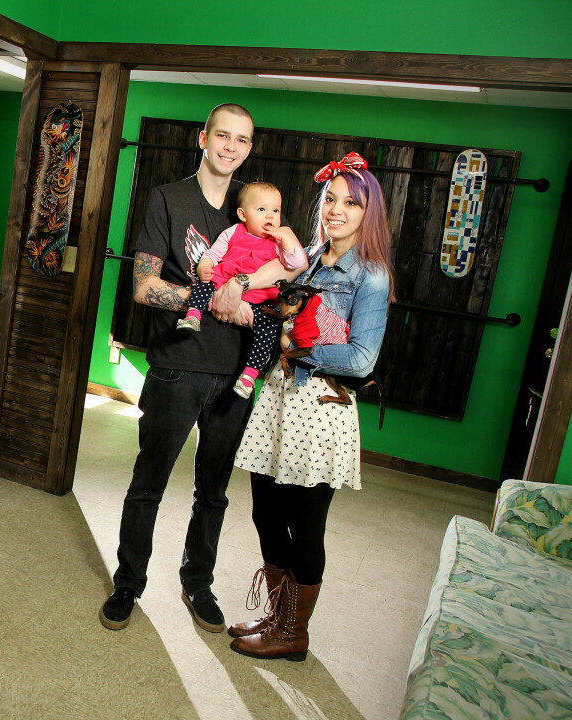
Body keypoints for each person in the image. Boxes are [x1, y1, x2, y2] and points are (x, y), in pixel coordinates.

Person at [99, 103, 299, 633]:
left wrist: (243, 294)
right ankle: (128, 583)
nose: (232, 147)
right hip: (177, 367)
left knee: (213, 492)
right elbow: (143, 287)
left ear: (250, 148)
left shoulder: (261, 211)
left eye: (243, 139)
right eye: (223, 136)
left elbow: (283, 280)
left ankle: (198, 584)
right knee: (149, 482)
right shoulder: (169, 198)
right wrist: (207, 297)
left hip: (237, 376)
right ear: (203, 139)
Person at [229, 152, 395, 661]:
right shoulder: (308, 255)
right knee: (263, 513)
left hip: (321, 407)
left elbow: (363, 357)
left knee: (305, 525)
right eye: (331, 200)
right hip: (279, 400)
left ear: (369, 213)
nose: (337, 210)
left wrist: (296, 349)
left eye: (351, 203)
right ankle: (278, 615)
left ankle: (293, 633)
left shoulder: (371, 275)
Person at [176, 182, 306, 399]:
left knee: (268, 329)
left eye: (276, 210)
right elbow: (213, 253)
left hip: (259, 297)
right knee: (203, 283)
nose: (270, 216)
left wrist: (287, 239)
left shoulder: (277, 241)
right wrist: (204, 265)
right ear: (243, 214)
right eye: (262, 209)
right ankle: (193, 316)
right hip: (224, 281)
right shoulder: (234, 232)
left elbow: (297, 263)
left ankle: (249, 375)